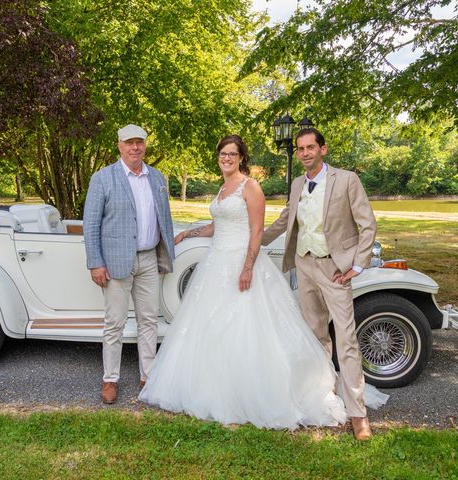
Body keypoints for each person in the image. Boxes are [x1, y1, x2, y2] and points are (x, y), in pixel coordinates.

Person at [139, 135, 348, 429]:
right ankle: (214, 389)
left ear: (241, 157)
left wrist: (247, 268)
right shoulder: (223, 188)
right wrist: (190, 233)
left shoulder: (250, 187)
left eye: (232, 154)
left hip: (242, 263)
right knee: (211, 328)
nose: (226, 158)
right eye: (223, 153)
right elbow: (219, 225)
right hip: (216, 264)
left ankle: (260, 393)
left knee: (247, 329)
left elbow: (256, 228)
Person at [261, 127, 378, 440]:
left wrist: (356, 265)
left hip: (335, 268)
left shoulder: (347, 180)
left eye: (310, 147)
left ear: (323, 149)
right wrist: (254, 241)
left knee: (346, 339)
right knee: (315, 336)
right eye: (300, 149)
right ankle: (325, 397)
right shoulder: (298, 183)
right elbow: (286, 219)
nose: (304, 153)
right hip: (305, 265)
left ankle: (358, 413)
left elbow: (367, 224)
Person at [84, 124, 175, 404]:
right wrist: (95, 263)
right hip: (114, 262)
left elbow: (164, 220)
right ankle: (110, 379)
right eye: (129, 143)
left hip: (148, 259)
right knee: (115, 323)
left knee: (149, 320)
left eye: (140, 142)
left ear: (145, 145)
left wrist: (163, 256)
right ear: (119, 146)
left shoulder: (156, 177)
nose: (135, 147)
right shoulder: (103, 178)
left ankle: (148, 376)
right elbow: (91, 224)